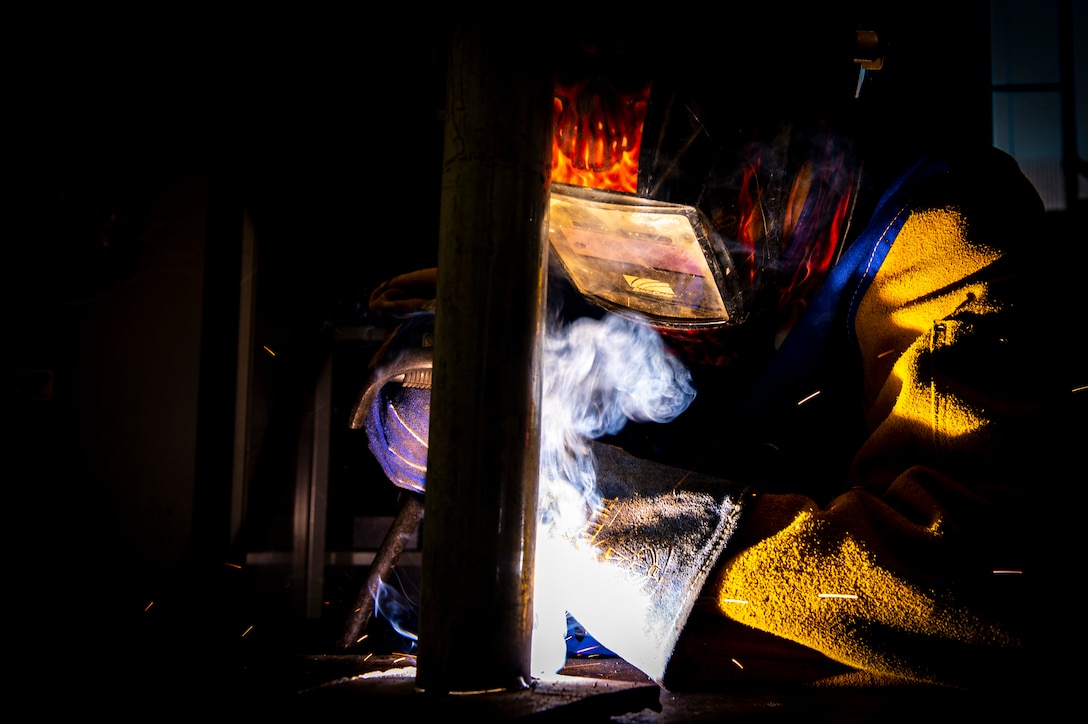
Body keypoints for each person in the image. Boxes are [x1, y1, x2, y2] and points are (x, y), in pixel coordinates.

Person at [354, 19, 1081, 694]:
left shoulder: (944, 235)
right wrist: (440, 380)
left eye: (669, 240)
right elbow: (462, 337)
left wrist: (603, 520)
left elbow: (939, 586)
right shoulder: (571, 188)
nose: (645, 289)